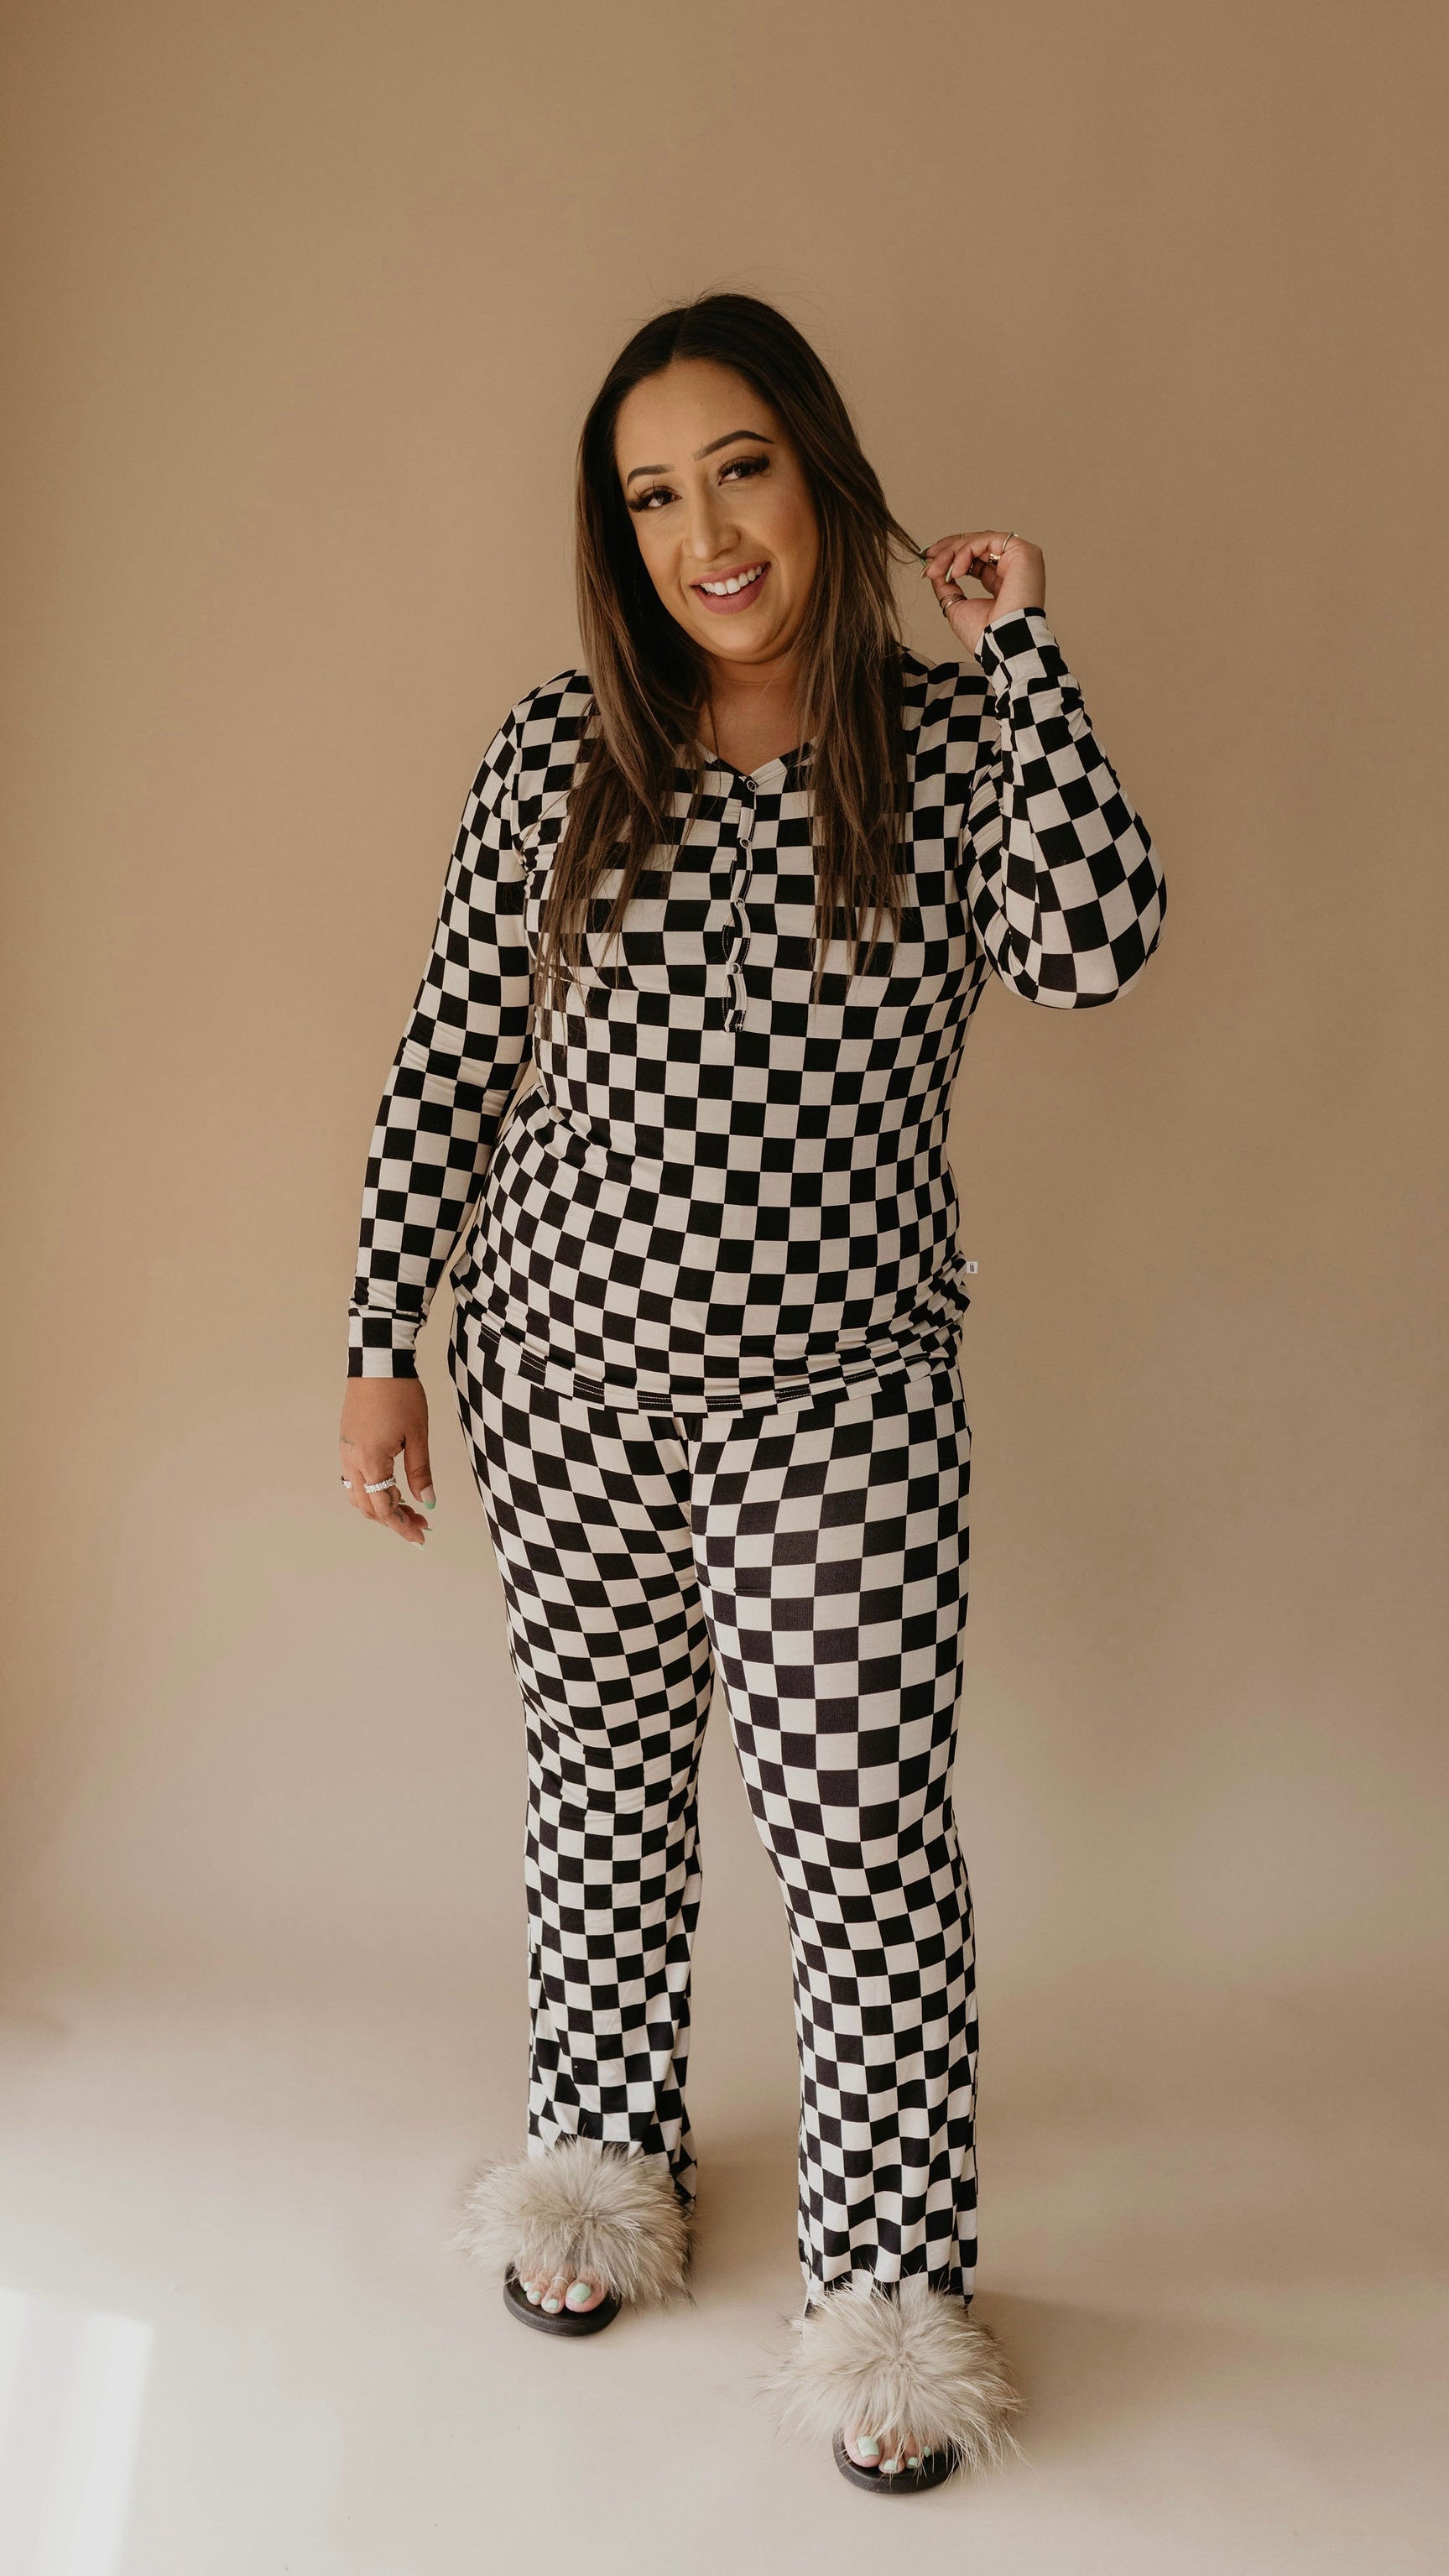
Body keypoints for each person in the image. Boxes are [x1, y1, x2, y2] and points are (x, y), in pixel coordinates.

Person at [338, 291, 1166, 2496]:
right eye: (651, 494)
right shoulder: (557, 758)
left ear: (817, 474)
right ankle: (602, 2165)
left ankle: (888, 2294)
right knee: (602, 1788)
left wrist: (1028, 650)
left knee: (862, 1839)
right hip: (562, 1378)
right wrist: (376, 1344)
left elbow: (1102, 944)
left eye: (739, 470)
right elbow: (449, 1063)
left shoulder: (955, 751)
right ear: (619, 539)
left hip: (840, 1399)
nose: (704, 529)